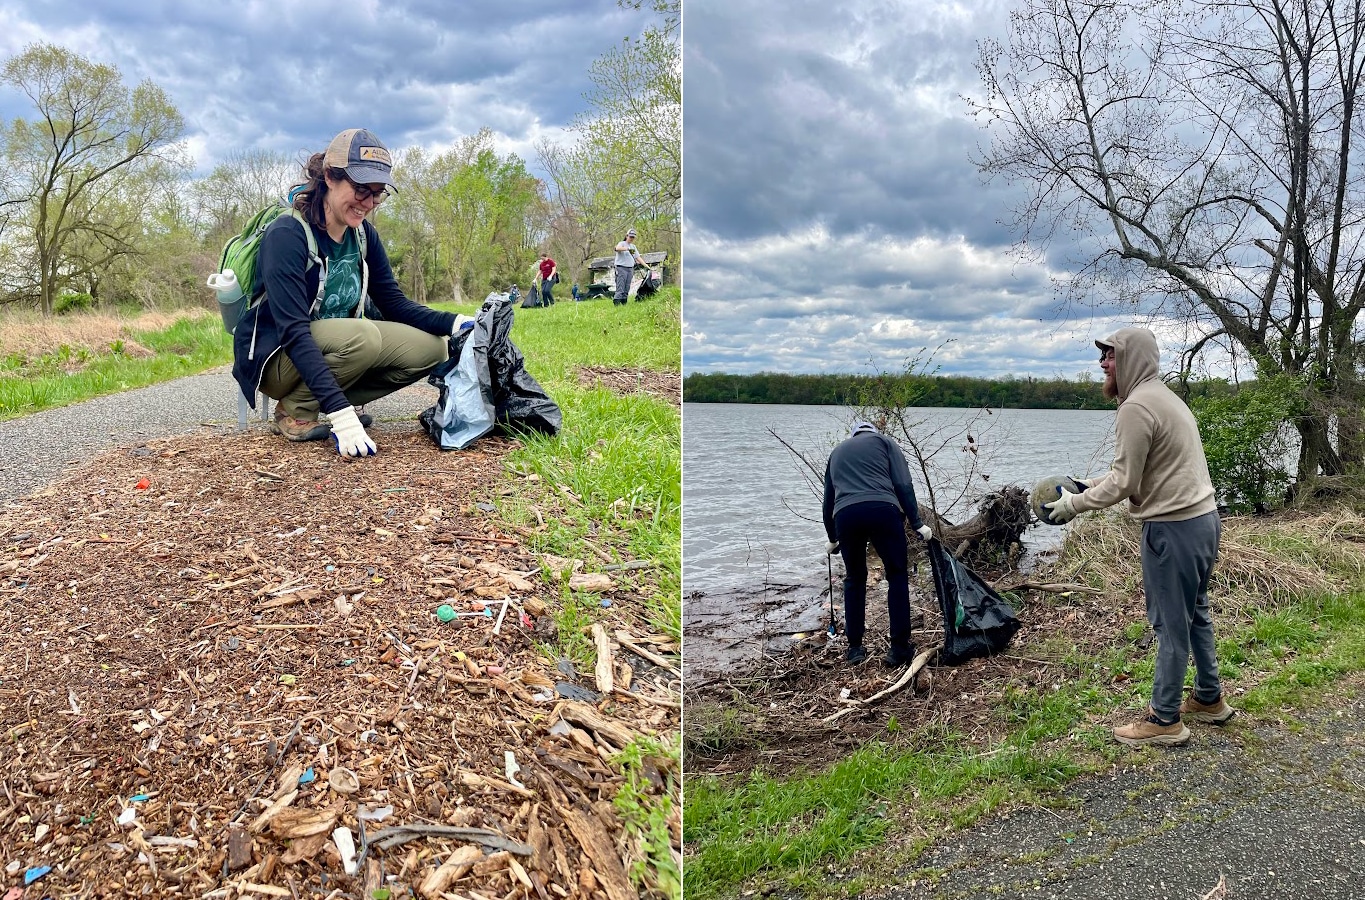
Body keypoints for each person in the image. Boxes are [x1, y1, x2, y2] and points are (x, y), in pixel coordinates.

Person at [1044, 327, 1232, 747]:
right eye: (1102, 356)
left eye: (1110, 355)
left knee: (1169, 624)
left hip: (1172, 528)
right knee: (1195, 612)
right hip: (1204, 520)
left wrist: (1074, 505)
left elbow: (1125, 482)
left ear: (1131, 358)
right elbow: (1138, 472)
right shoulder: (1164, 397)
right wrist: (1081, 483)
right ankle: (1209, 698)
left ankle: (1164, 719)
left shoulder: (1135, 407)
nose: (1102, 364)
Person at [231, 128, 462, 458]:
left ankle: (328, 400)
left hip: (336, 347)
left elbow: (393, 303)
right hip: (278, 357)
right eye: (360, 189)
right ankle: (297, 408)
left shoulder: (364, 235)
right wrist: (342, 416)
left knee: (432, 350)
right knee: (364, 336)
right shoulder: (288, 233)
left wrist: (457, 323)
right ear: (329, 177)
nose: (368, 203)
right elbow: (294, 330)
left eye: (377, 193)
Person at [822, 422, 934, 667]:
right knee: (896, 574)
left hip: (846, 516)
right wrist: (917, 523)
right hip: (883, 510)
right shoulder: (885, 442)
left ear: (853, 435)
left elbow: (828, 501)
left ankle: (855, 649)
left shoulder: (837, 452)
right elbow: (903, 484)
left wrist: (832, 538)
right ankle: (899, 648)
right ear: (872, 431)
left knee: (854, 577)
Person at [613, 228, 647, 305]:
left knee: (627, 287)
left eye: (633, 237)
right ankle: (617, 303)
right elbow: (617, 248)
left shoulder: (633, 247)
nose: (631, 238)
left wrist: (646, 266)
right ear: (627, 236)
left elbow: (637, 257)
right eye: (630, 237)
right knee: (621, 286)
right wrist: (626, 248)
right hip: (621, 268)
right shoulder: (622, 243)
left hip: (630, 269)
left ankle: (624, 302)